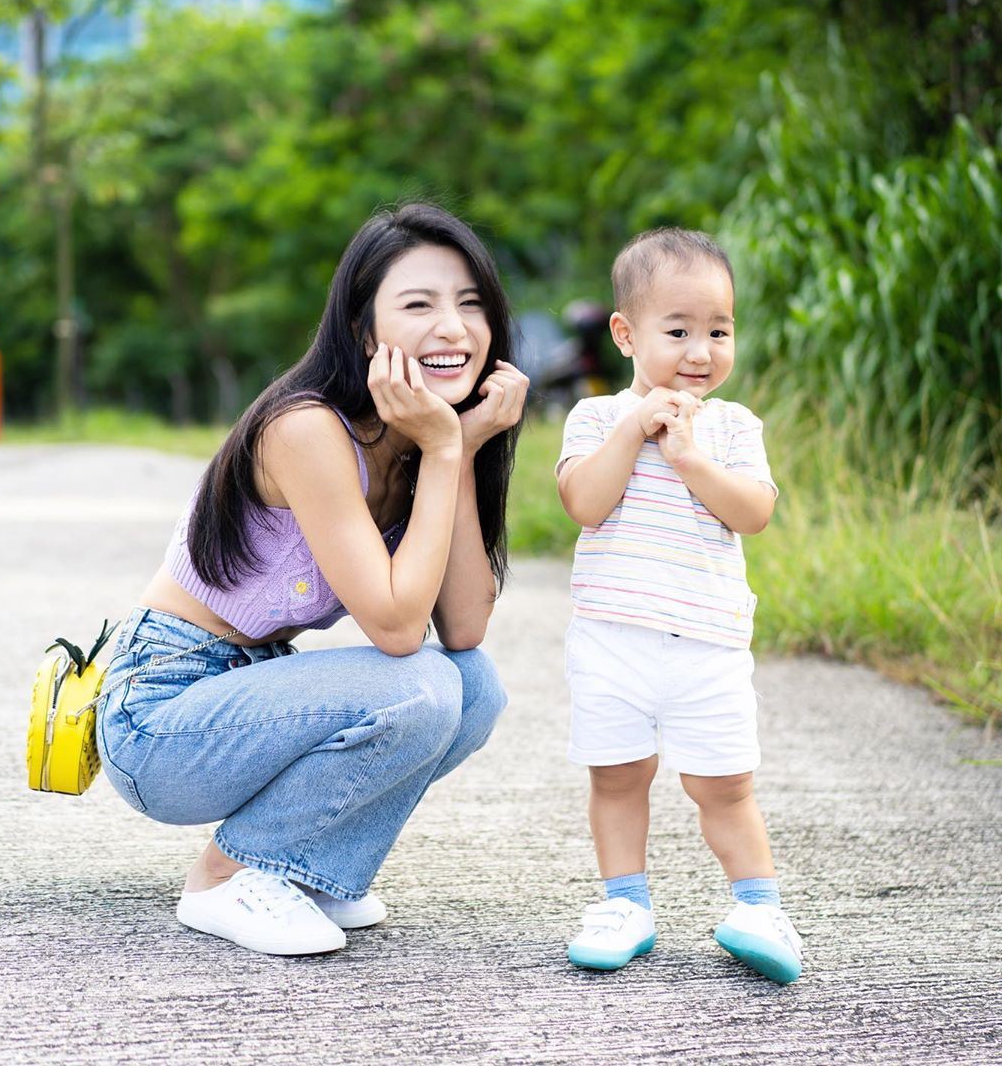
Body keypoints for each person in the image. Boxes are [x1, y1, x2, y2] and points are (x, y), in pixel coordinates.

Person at [96, 203, 528, 957]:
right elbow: (396, 630)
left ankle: (310, 868)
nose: (454, 329)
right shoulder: (307, 429)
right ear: (365, 334)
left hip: (252, 692)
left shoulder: (417, 444)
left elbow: (461, 628)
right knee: (416, 684)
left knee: (473, 684)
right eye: (418, 304)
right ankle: (225, 878)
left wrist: (451, 452)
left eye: (470, 304)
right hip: (160, 714)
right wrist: (446, 447)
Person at [554, 227, 803, 983]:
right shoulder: (596, 420)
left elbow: (753, 512)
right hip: (612, 639)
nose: (701, 351)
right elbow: (585, 504)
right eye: (679, 331)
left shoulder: (732, 426)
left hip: (707, 643)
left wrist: (691, 456)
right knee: (617, 775)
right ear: (627, 335)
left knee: (724, 784)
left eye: (718, 331)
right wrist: (636, 428)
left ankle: (759, 905)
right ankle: (624, 903)